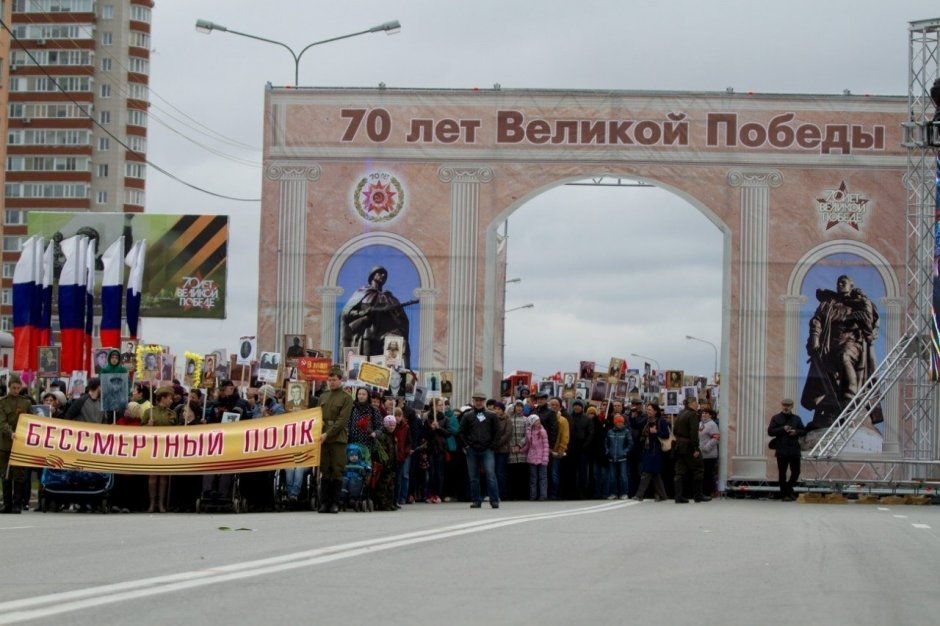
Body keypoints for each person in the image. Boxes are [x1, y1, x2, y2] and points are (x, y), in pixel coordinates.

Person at [801, 274, 879, 429]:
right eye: (838, 282)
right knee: (827, 374)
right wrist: (815, 340)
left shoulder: (859, 302)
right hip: (829, 345)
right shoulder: (828, 303)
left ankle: (850, 397)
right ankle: (829, 408)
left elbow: (869, 323)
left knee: (844, 357)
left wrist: (861, 302)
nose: (840, 284)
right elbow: (817, 321)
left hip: (851, 342)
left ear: (851, 284)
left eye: (844, 282)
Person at [339, 266, 417, 368]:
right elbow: (346, 313)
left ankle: (399, 377)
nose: (383, 275)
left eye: (384, 274)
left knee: (399, 343)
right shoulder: (362, 293)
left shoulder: (390, 298)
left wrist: (395, 315)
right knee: (366, 366)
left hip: (387, 334)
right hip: (368, 333)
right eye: (379, 273)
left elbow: (402, 321)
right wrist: (365, 312)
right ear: (372, 276)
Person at [317, 366, 353, 513]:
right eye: (329, 380)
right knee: (325, 470)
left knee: (337, 470)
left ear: (340, 380)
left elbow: (341, 421)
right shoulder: (323, 396)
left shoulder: (346, 398)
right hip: (322, 437)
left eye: (334, 380)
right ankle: (324, 502)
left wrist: (327, 434)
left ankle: (335, 503)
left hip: (337, 438)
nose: (331, 383)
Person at [459, 391, 500, 509]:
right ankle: (476, 500)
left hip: (487, 449)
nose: (478, 402)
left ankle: (494, 500)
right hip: (472, 449)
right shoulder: (467, 416)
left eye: (480, 400)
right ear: (473, 401)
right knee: (473, 477)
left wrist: (493, 445)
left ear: (484, 402)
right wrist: (466, 446)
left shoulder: (491, 415)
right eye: (476, 400)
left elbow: (497, 432)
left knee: (490, 475)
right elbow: (461, 432)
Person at [0, 375, 33, 513]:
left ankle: (17, 504)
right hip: (5, 444)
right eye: (13, 388)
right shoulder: (2, 402)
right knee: (4, 474)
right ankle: (7, 503)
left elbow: (32, 421)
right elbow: (1, 422)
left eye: (18, 388)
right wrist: (10, 432)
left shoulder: (26, 403)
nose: (16, 390)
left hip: (20, 443)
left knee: (19, 474)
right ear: (9, 387)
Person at [142, 386, 177, 512]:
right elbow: (139, 432)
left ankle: (161, 504)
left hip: (166, 448)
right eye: (169, 398)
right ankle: (152, 504)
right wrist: (148, 426)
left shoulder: (172, 414)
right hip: (152, 447)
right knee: (152, 476)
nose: (172, 401)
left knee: (163, 476)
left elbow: (178, 431)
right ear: (163, 398)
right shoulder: (149, 413)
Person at [768, 398, 806, 501]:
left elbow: (803, 431)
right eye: (784, 405)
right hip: (782, 450)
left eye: (788, 405)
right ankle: (785, 494)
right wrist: (782, 429)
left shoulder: (797, 419)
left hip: (794, 450)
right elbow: (770, 432)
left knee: (796, 472)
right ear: (781, 405)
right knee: (782, 474)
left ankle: (787, 491)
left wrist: (796, 432)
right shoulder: (776, 418)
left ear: (792, 406)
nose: (786, 407)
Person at [673, 397, 709, 503]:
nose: (697, 404)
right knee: (699, 468)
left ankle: (678, 496)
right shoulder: (693, 414)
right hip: (689, 446)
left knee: (679, 471)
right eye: (696, 402)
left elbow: (675, 430)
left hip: (679, 446)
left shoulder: (680, 414)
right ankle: (698, 495)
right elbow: (694, 432)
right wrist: (696, 447)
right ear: (691, 403)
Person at [634, 403, 670, 502]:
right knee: (655, 475)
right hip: (647, 450)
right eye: (647, 409)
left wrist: (656, 432)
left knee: (647, 473)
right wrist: (633, 417)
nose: (648, 411)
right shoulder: (646, 421)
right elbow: (636, 426)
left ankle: (639, 495)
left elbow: (666, 435)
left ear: (655, 411)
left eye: (650, 409)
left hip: (656, 451)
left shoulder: (661, 421)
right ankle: (663, 495)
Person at [516, 415, 549, 500]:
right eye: (536, 421)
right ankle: (533, 496)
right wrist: (521, 450)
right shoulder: (529, 432)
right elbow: (528, 445)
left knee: (543, 477)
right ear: (532, 423)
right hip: (532, 457)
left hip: (542, 457)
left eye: (539, 420)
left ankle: (543, 495)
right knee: (533, 478)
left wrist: (545, 457)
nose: (538, 422)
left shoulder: (542, 431)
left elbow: (546, 445)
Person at [605, 414, 633, 499]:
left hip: (622, 457)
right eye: (618, 422)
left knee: (623, 476)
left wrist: (625, 452)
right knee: (612, 477)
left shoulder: (626, 432)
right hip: (612, 457)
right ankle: (613, 493)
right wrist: (607, 451)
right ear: (615, 423)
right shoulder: (610, 432)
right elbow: (606, 443)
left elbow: (630, 443)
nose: (620, 424)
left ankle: (624, 493)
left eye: (621, 422)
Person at [699, 406, 720, 498]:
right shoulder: (700, 424)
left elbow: (716, 438)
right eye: (703, 413)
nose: (704, 414)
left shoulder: (712, 424)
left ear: (711, 415)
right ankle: (706, 491)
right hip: (702, 454)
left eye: (706, 413)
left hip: (710, 454)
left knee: (709, 474)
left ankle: (712, 491)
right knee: (704, 474)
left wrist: (707, 447)